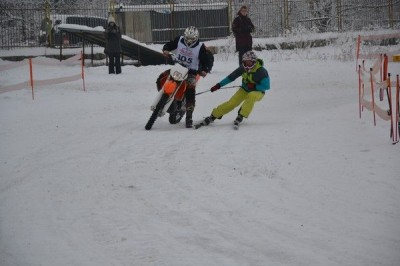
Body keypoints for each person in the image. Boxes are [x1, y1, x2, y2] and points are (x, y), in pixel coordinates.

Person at [194, 51, 270, 129]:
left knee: (251, 95)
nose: (247, 64)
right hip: (244, 90)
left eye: (249, 62)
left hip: (258, 92)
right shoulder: (242, 68)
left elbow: (267, 86)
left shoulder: (261, 71)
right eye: (245, 62)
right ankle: (213, 116)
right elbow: (230, 77)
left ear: (254, 62)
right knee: (232, 103)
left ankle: (241, 115)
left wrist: (254, 86)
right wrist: (218, 85)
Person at [162, 26, 213, 128]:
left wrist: (205, 70)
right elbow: (170, 44)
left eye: (192, 39)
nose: (189, 41)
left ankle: (189, 116)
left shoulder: (201, 47)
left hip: (192, 71)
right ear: (184, 36)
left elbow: (207, 60)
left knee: (190, 90)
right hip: (178, 67)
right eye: (187, 38)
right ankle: (162, 97)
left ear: (196, 38)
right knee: (162, 77)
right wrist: (166, 50)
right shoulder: (179, 39)